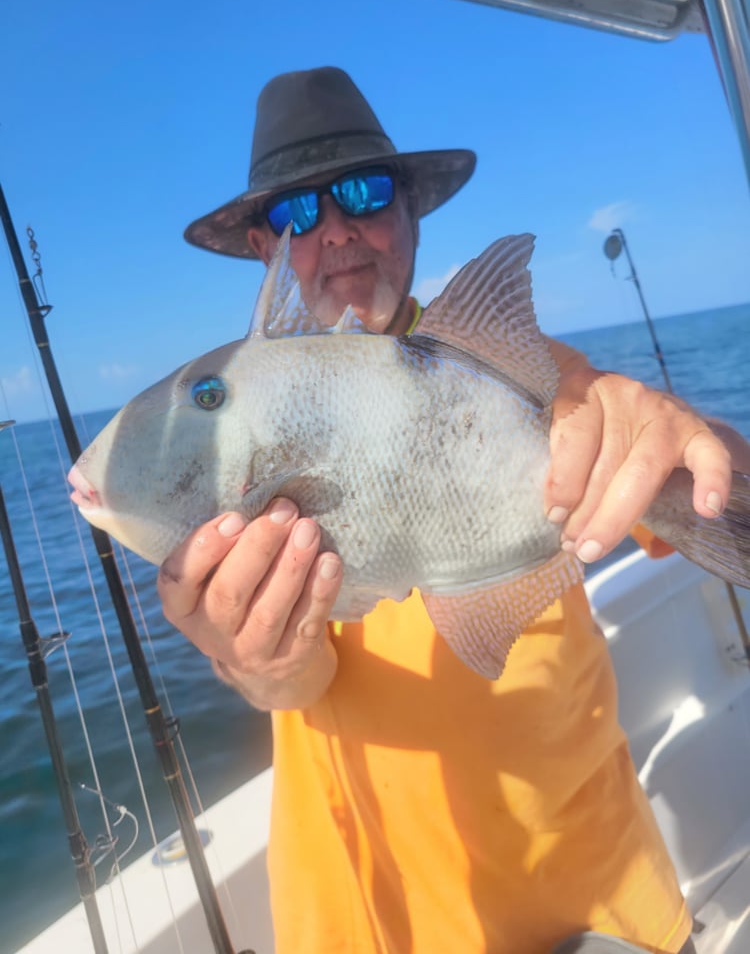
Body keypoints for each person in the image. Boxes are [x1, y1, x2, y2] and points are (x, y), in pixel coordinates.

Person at [162, 67, 750, 954]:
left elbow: (674, 456)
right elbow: (297, 676)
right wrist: (256, 660)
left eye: (362, 193)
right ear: (265, 248)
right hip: (346, 928)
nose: (336, 233)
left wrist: (698, 443)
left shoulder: (523, 370)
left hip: (588, 908)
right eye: (296, 215)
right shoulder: (242, 420)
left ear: (409, 211)